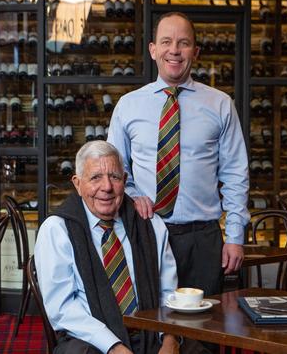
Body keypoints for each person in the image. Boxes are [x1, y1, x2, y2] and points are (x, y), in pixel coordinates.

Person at [107, 12, 250, 295]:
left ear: (195, 52)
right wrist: (134, 195)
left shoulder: (221, 104)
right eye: (166, 41)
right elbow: (115, 169)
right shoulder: (128, 106)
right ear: (153, 50)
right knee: (151, 324)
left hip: (203, 239)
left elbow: (236, 174)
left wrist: (235, 236)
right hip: (148, 232)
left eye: (183, 43)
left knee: (204, 328)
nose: (174, 50)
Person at [34, 141, 181, 354]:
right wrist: (113, 347)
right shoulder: (57, 229)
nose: (107, 187)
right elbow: (62, 308)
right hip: (91, 340)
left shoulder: (150, 224)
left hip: (151, 334)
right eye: (95, 178)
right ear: (77, 183)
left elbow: (169, 293)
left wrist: (169, 338)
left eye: (114, 177)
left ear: (125, 180)